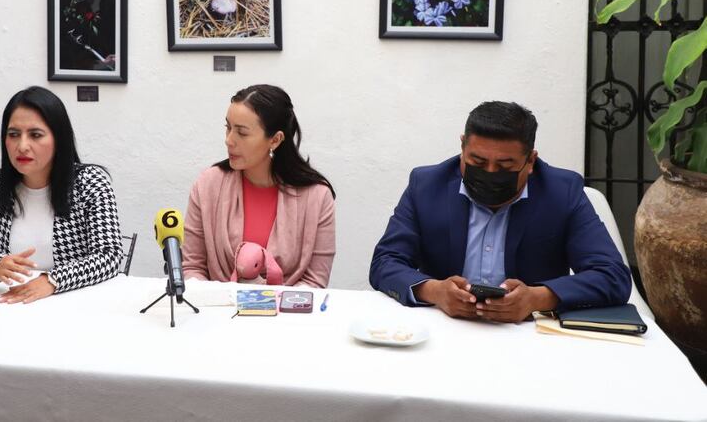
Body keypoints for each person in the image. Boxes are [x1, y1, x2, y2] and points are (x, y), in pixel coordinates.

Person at [369, 101, 632, 322]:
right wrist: (435, 291)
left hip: (529, 335)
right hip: (444, 329)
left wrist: (536, 298)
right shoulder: (427, 185)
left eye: (505, 166)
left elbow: (612, 276)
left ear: (531, 161)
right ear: (462, 147)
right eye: (478, 162)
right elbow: (385, 262)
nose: (490, 173)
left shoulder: (562, 192)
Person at [0, 86, 123, 303]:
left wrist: (52, 280)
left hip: (74, 303)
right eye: (13, 134)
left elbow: (109, 256)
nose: (22, 146)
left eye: (35, 135)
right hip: (8, 302)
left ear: (59, 139)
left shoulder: (90, 183)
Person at [182, 84, 336, 287]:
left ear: (275, 139)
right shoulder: (208, 186)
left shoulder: (317, 197)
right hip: (216, 313)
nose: (229, 140)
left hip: (288, 315)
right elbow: (192, 267)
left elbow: (314, 281)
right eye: (228, 128)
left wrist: (268, 308)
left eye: (242, 133)